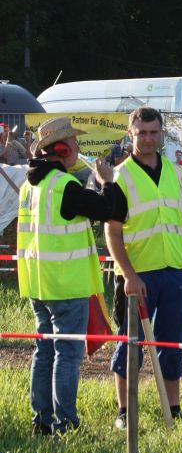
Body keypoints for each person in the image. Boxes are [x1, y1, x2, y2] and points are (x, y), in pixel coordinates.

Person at [17, 116, 115, 435]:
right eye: (74, 142)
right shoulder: (65, 187)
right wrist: (107, 180)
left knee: (44, 352)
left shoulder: (30, 186)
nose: (78, 148)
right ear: (61, 148)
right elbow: (108, 209)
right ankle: (66, 424)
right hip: (66, 286)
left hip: (38, 284)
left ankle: (42, 422)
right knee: (67, 356)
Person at [105, 107, 182, 429]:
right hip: (137, 277)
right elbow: (111, 232)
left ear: (161, 134)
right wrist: (129, 275)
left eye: (153, 132)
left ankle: (173, 408)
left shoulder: (178, 174)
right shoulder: (121, 177)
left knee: (172, 344)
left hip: (175, 273)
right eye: (141, 132)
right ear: (131, 134)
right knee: (130, 345)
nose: (148, 138)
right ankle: (125, 411)